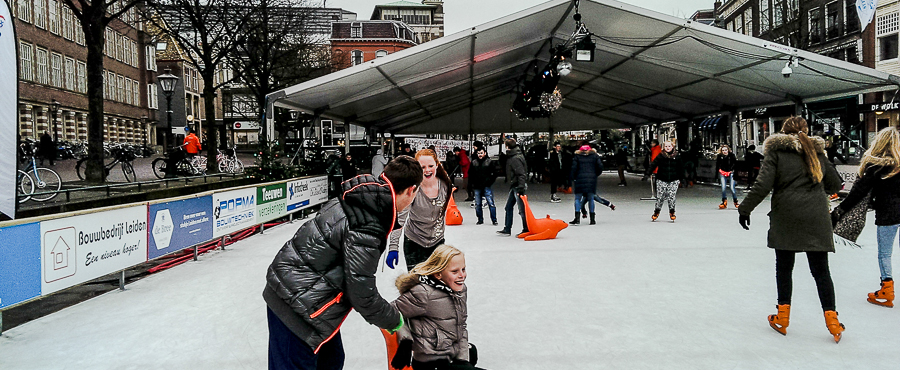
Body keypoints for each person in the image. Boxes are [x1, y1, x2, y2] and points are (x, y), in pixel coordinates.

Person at [263, 156, 424, 370]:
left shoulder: (363, 200)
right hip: (296, 306)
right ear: (411, 190)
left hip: (309, 295)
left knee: (332, 360)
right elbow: (361, 293)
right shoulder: (368, 224)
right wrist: (397, 321)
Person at [737, 116, 845, 343]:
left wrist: (745, 209)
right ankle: (832, 321)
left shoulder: (776, 153)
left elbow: (762, 184)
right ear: (806, 130)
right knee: (821, 271)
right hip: (816, 217)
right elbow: (835, 184)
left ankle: (782, 317)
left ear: (783, 132)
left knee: (784, 268)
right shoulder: (817, 153)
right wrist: (823, 156)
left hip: (786, 216)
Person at [832, 126, 900, 308]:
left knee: (885, 254)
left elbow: (858, 192)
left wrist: (840, 210)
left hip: (888, 214)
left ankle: (887, 290)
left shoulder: (875, 166)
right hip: (891, 212)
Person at [390, 245, 484, 370]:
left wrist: (463, 360)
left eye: (463, 269)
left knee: (472, 352)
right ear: (438, 274)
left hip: (450, 355)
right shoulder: (423, 293)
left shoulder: (460, 291)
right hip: (430, 361)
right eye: (455, 271)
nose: (462, 275)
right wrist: (405, 341)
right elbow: (391, 312)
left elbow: (461, 326)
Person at [386, 149, 454, 271]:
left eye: (431, 166)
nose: (427, 170)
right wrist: (393, 247)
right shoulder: (413, 189)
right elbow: (400, 220)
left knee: (435, 285)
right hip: (414, 242)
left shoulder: (445, 185)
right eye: (422, 167)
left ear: (437, 165)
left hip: (437, 242)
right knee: (417, 285)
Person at [497, 139, 529, 236]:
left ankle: (526, 228)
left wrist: (520, 187)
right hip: (514, 185)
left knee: (521, 209)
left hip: (517, 186)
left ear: (507, 146)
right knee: (508, 207)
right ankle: (507, 228)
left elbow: (521, 174)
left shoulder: (515, 158)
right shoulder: (513, 155)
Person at [569, 142, 603, 225]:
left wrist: (573, 178)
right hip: (591, 180)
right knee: (591, 198)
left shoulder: (577, 157)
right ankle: (592, 219)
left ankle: (577, 219)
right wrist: (595, 175)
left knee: (577, 198)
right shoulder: (595, 156)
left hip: (579, 179)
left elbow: (573, 168)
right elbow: (600, 167)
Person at [648, 140, 683, 221]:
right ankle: (656, 211)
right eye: (666, 146)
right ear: (664, 147)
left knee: (671, 196)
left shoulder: (677, 156)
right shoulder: (661, 156)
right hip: (662, 179)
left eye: (669, 146)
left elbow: (681, 168)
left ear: (672, 147)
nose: (668, 148)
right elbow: (653, 164)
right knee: (660, 197)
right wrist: (648, 173)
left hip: (674, 179)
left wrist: (682, 178)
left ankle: (672, 211)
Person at [469, 147, 498, 226]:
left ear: (485, 153)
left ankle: (494, 220)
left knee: (490, 203)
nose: (480, 155)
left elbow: (495, 173)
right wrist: (472, 184)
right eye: (478, 153)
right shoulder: (474, 162)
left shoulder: (489, 162)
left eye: (481, 153)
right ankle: (480, 219)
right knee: (478, 204)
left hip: (486, 185)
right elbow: (470, 174)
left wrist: (490, 182)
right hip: (477, 186)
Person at [716, 144, 739, 209]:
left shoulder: (732, 156)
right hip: (722, 172)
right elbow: (717, 166)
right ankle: (724, 201)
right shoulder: (719, 156)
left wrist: (733, 171)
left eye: (726, 150)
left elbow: (735, 164)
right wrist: (717, 175)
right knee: (723, 187)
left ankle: (735, 201)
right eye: (723, 150)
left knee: (732, 187)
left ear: (728, 150)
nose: (724, 151)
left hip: (731, 172)